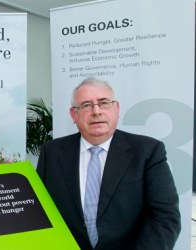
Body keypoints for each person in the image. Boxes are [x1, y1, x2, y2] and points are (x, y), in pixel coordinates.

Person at [36, 77, 181, 249]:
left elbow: (164, 218)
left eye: (104, 103)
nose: (96, 111)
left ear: (117, 109)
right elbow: (39, 215)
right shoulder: (51, 153)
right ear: (74, 115)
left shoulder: (148, 151)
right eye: (86, 105)